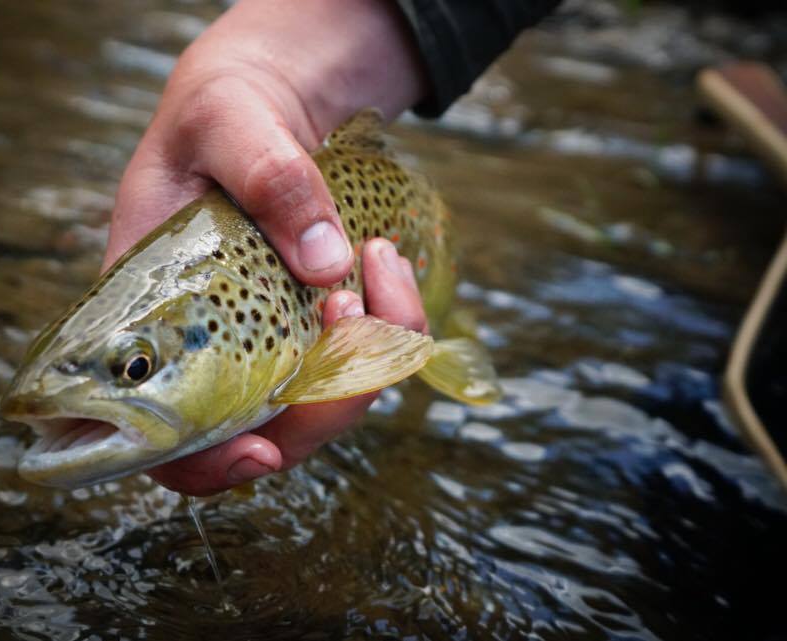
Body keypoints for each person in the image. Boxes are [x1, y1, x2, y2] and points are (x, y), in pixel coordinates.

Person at [103, 0, 558, 495]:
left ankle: (440, 342)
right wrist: (253, 79)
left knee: (428, 336)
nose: (135, 373)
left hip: (419, 224)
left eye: (137, 369)